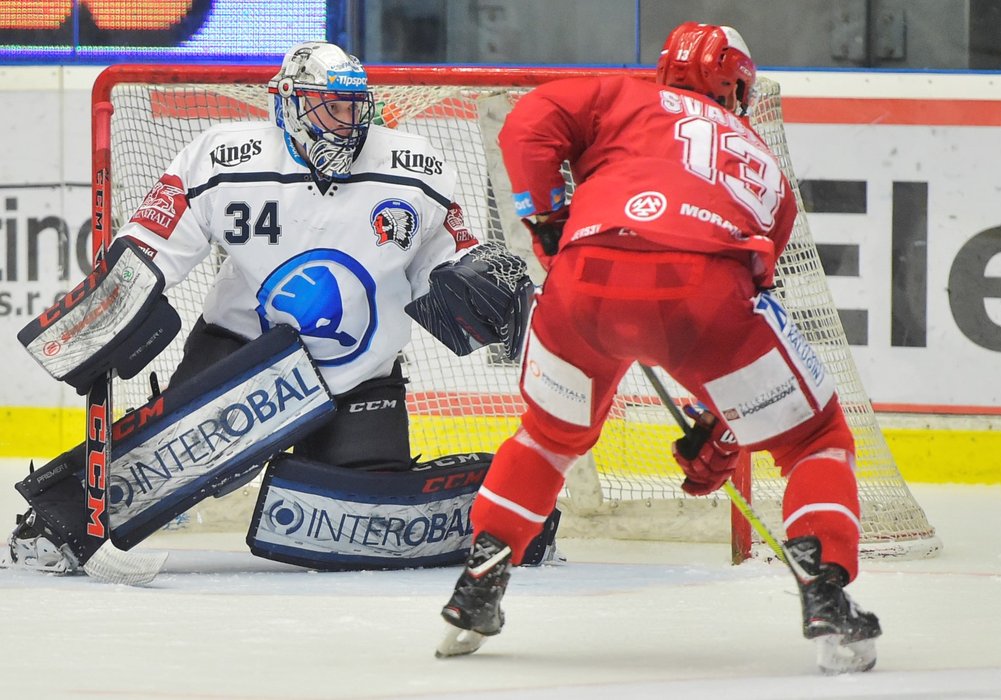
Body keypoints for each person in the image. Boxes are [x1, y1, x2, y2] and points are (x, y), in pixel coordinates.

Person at [8, 41, 556, 576]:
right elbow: (151, 245)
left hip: (360, 376)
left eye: (353, 106)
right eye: (330, 105)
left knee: (366, 520)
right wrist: (113, 307)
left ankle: (511, 518)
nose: (347, 121)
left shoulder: (413, 169)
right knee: (165, 468)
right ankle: (55, 521)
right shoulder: (223, 157)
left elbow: (447, 260)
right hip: (243, 356)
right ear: (288, 103)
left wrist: (479, 278)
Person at [435, 22, 882, 674]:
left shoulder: (618, 94)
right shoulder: (767, 169)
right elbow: (741, 323)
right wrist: (722, 432)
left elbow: (526, 121)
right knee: (813, 439)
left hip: (580, 279)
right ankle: (825, 593)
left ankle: (479, 583)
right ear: (736, 86)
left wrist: (549, 220)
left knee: (546, 438)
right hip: (705, 286)